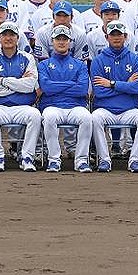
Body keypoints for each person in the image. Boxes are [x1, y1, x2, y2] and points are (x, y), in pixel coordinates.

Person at [89, 21, 138, 173]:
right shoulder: (98, 61)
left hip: (129, 109)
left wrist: (112, 84)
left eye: (119, 35)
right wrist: (126, 86)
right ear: (107, 37)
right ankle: (104, 159)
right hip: (106, 110)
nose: (116, 38)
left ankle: (135, 159)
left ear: (125, 37)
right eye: (113, 35)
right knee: (95, 118)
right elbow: (99, 91)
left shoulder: (135, 59)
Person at [0, 22, 41, 172]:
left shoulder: (28, 58)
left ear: (17, 37)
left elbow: (29, 86)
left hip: (23, 106)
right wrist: (18, 83)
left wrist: (3, 80)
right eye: (5, 35)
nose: (8, 38)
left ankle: (27, 156)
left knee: (35, 115)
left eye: (12, 35)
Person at [37, 25, 95, 173]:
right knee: (49, 117)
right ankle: (54, 159)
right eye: (58, 39)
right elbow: (46, 87)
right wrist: (71, 84)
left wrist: (56, 86)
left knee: (87, 118)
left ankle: (81, 160)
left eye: (65, 39)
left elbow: (82, 89)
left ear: (70, 42)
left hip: (75, 106)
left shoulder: (79, 65)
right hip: (52, 106)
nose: (61, 42)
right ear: (52, 41)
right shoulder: (44, 64)